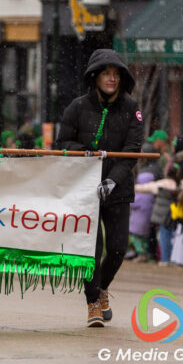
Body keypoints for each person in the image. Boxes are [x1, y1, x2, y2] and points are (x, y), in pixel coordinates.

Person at [56, 48, 143, 328]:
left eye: (116, 74)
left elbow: (132, 149)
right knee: (90, 250)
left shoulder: (132, 109)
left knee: (117, 248)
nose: (112, 79)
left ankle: (103, 288)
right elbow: (63, 144)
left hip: (117, 188)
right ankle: (92, 302)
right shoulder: (78, 107)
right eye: (107, 74)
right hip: (85, 189)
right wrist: (88, 154)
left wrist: (112, 179)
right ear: (95, 77)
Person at [136, 163, 180, 265]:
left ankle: (165, 259)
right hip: (173, 214)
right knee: (172, 237)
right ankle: (171, 258)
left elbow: (145, 187)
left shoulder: (162, 183)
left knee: (164, 237)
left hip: (162, 216)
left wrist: (133, 187)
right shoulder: (179, 184)